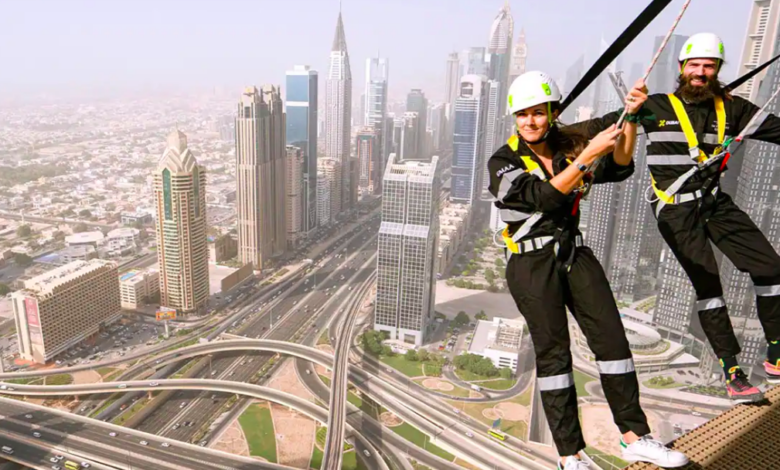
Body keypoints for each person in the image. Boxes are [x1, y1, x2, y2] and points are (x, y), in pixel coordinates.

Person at [488, 71, 689, 470]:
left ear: (553, 113)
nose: (530, 122)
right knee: (554, 358)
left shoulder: (569, 145)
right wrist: (588, 153)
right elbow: (546, 196)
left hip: (574, 254)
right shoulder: (503, 162)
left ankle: (635, 437)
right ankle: (570, 455)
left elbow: (622, 165)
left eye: (538, 113)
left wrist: (630, 118)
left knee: (614, 343)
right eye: (522, 115)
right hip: (531, 263)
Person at [587, 33, 780, 403]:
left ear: (718, 70)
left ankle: (776, 351)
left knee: (771, 268)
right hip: (674, 209)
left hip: (714, 203)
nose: (701, 72)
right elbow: (600, 129)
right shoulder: (655, 106)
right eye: (694, 65)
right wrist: (551, 137)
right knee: (709, 287)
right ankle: (732, 371)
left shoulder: (735, 109)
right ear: (681, 69)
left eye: (709, 66)